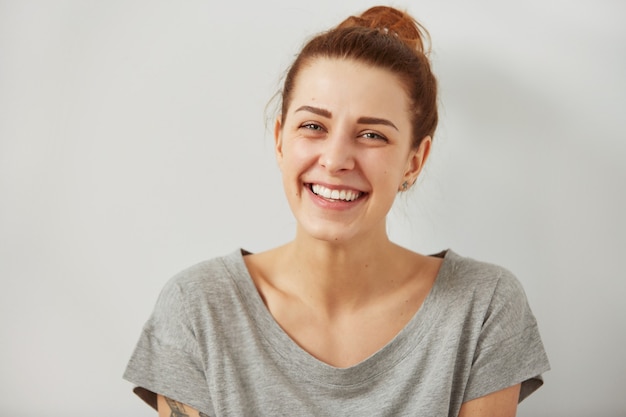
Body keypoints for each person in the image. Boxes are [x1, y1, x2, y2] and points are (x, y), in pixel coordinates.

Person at [123, 5, 550, 417]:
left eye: (371, 134)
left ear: (414, 161)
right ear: (280, 140)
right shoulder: (197, 309)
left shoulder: (483, 307)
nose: (335, 159)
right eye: (313, 126)